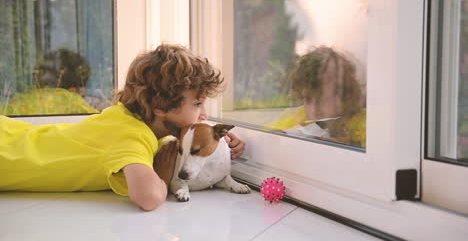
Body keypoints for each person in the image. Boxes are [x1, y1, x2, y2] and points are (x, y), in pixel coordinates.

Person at [0, 44, 246, 211]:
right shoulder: (130, 136)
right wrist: (160, 175)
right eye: (198, 103)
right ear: (159, 106)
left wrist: (213, 140)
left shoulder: (132, 120)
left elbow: (178, 141)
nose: (204, 115)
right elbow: (148, 197)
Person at [265, 46, 366, 147]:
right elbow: (264, 138)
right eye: (308, 99)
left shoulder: (367, 124)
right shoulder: (300, 116)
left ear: (346, 96)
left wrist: (349, 147)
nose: (314, 110)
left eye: (322, 100)